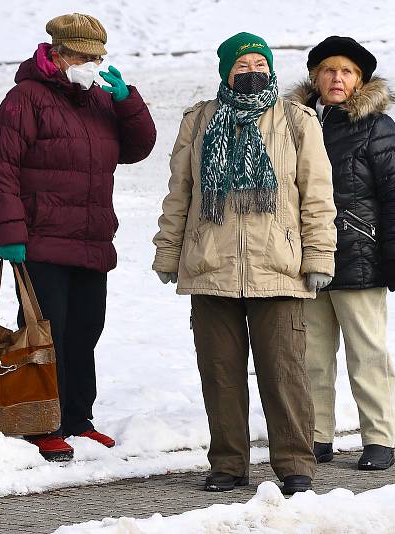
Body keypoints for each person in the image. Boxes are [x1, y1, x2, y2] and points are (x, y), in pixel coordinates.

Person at [152, 32, 336, 494]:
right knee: (220, 374)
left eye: (259, 63)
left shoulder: (296, 121)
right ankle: (229, 464)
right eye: (241, 65)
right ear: (225, 72)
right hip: (210, 266)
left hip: (278, 268)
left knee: (284, 373)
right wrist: (168, 251)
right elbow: (180, 194)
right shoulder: (199, 121)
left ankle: (295, 465)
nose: (251, 71)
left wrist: (318, 255)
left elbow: (316, 196)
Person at [0, 13, 156, 461]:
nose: (93, 64)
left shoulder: (99, 100)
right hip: (41, 240)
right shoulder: (26, 98)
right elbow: (0, 171)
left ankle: (78, 418)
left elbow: (138, 148)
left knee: (85, 332)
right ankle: (41, 424)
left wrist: (126, 100)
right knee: (44, 335)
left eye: (99, 57)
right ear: (56, 54)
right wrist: (10, 233)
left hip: (92, 240)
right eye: (84, 56)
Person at [288, 36, 395, 470]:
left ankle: (378, 438)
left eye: (346, 71)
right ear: (314, 77)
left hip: (359, 254)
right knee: (313, 357)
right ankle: (318, 435)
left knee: (367, 354)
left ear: (360, 81)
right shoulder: (295, 122)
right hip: (305, 259)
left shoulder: (376, 127)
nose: (336, 78)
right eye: (328, 70)